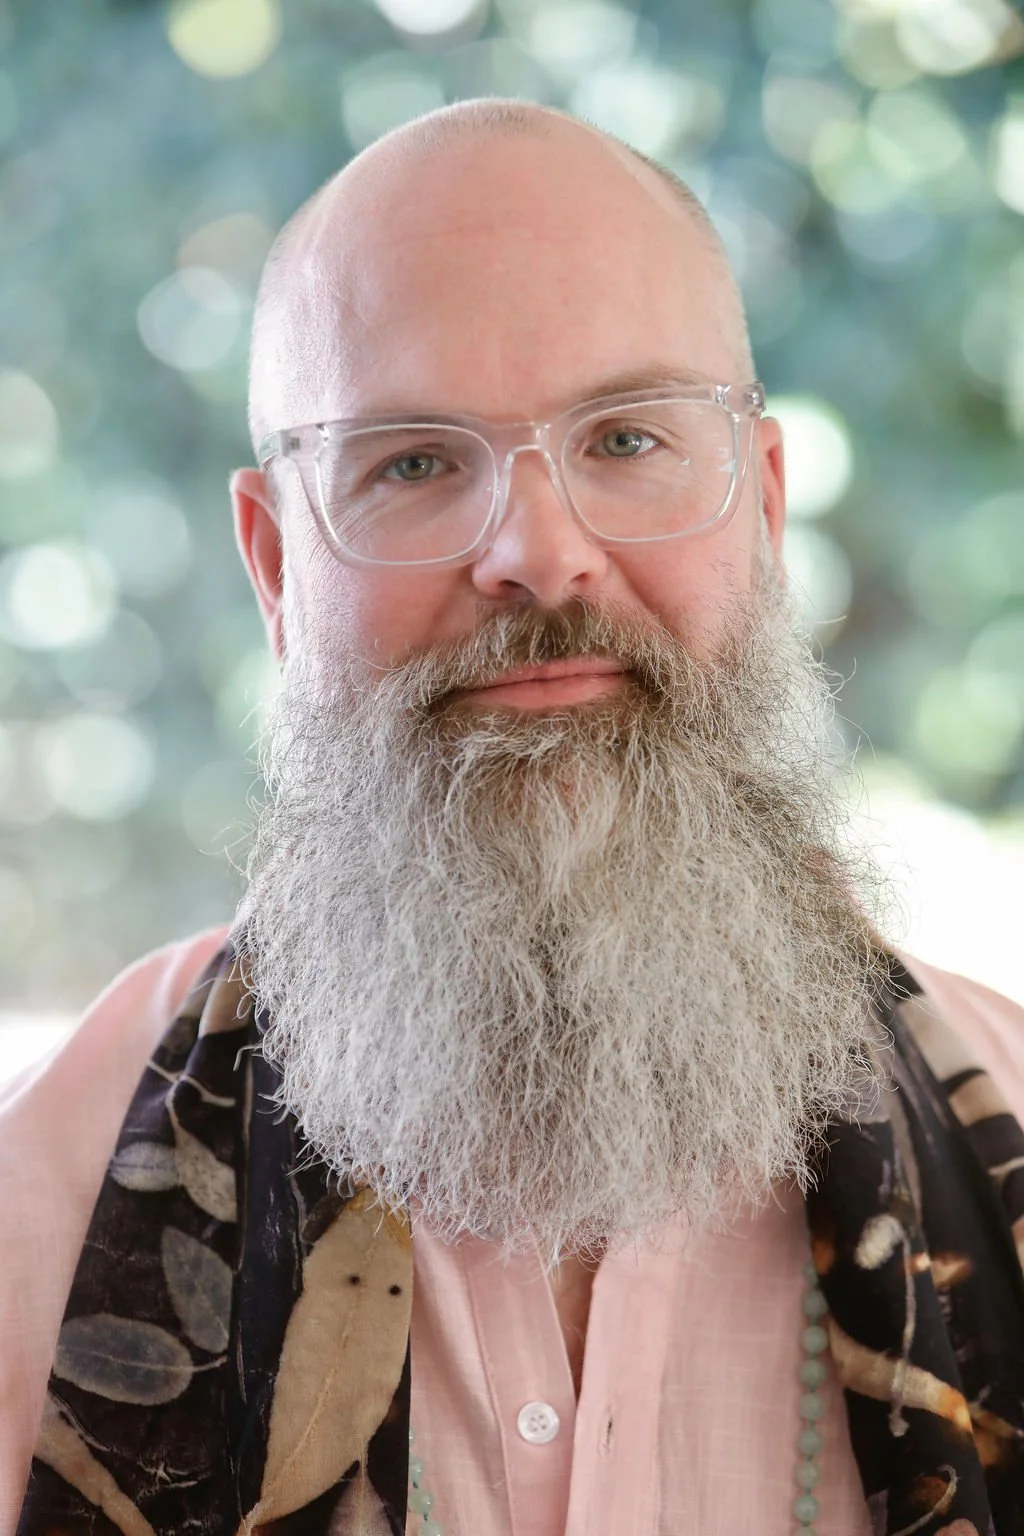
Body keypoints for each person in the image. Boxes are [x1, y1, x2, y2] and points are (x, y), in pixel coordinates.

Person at [3, 98, 1024, 1536]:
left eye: (626, 437)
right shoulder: (22, 1238)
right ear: (275, 565)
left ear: (767, 518)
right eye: (413, 461)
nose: (541, 555)